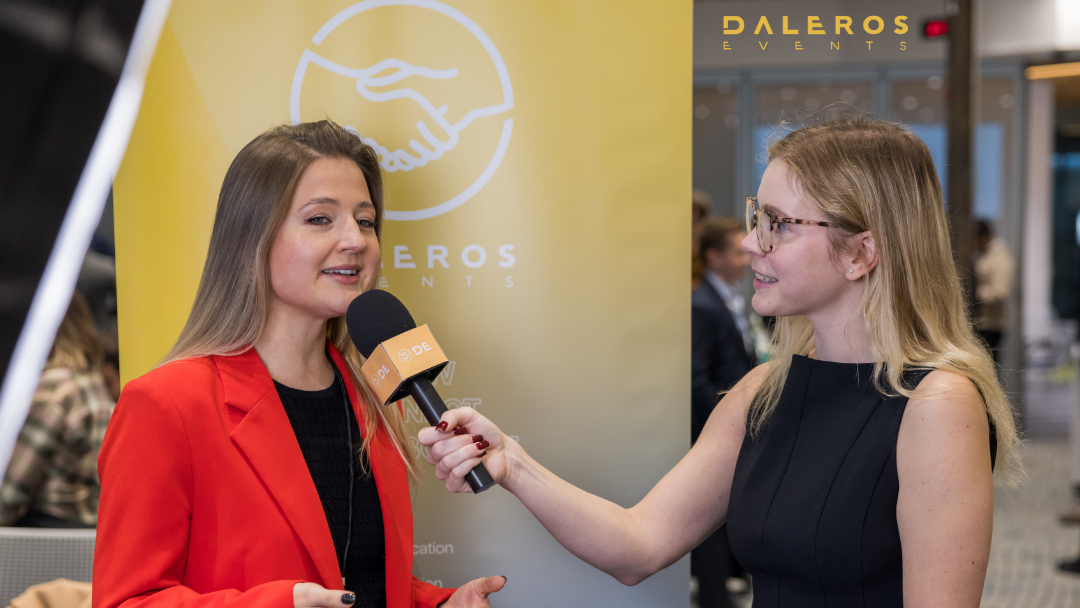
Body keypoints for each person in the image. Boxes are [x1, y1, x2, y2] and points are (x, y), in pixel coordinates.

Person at [420, 117, 1019, 607]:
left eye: (779, 225)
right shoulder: (765, 391)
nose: (752, 242)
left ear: (861, 252)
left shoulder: (938, 406)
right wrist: (513, 464)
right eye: (760, 216)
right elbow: (638, 545)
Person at [92, 121, 504, 608]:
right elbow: (125, 602)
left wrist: (437, 604)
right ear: (252, 238)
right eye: (319, 219)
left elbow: (356, 578)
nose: (355, 240)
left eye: (366, 220)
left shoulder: (374, 397)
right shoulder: (166, 405)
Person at [0, 290, 115, 527]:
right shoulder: (92, 382)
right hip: (87, 533)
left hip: (46, 531)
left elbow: (11, 492)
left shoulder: (54, 388)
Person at [691, 216, 755, 608]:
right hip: (713, 430)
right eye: (738, 251)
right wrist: (723, 423)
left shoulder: (729, 296)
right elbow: (697, 377)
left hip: (735, 426)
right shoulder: (702, 305)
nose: (747, 258)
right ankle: (715, 597)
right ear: (713, 257)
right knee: (709, 521)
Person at [973, 220, 1014, 364]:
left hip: (991, 324)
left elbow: (1000, 291)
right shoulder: (986, 255)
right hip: (982, 322)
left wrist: (975, 294)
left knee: (988, 368)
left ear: (984, 237)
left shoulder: (1000, 257)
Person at [691, 189, 712, 290]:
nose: (693, 214)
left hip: (701, 284)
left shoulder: (706, 232)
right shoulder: (679, 231)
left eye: (695, 210)